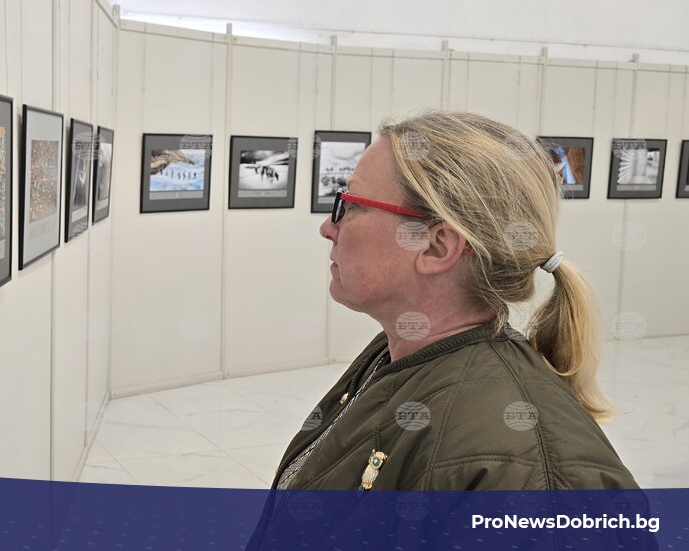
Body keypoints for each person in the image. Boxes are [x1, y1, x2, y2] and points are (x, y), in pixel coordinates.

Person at [262, 111, 638, 494]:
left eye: (352, 205)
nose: (328, 227)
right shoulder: (395, 354)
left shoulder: (528, 474)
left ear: (437, 246)